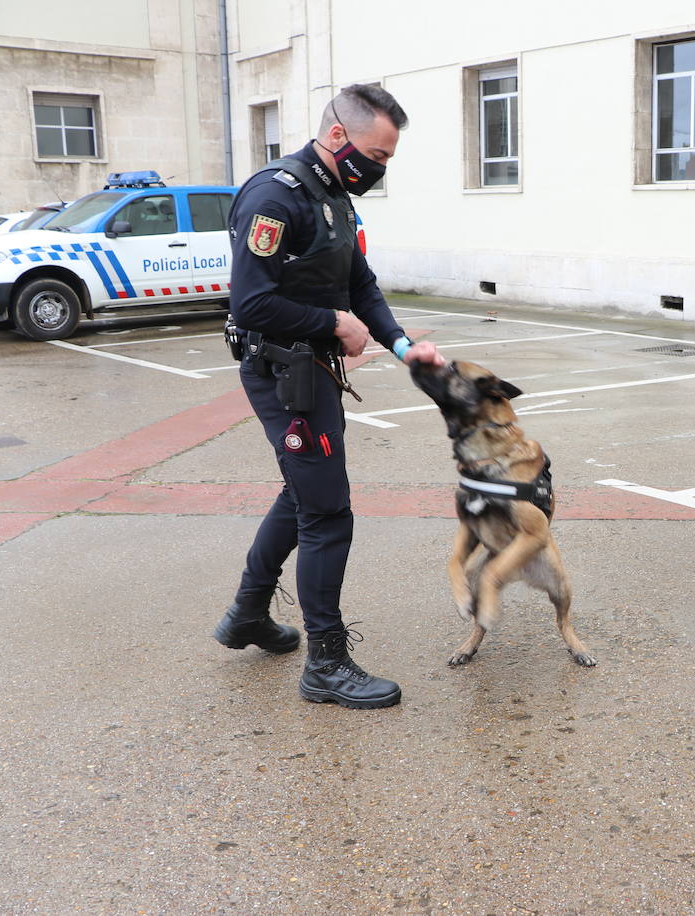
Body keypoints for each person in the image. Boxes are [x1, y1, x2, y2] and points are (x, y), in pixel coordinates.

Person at [212, 83, 444, 709]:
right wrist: (331, 325)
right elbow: (250, 302)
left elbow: (360, 284)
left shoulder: (334, 195)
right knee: (327, 512)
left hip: (311, 372)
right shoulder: (273, 196)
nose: (380, 168)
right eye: (378, 155)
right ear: (338, 135)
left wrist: (402, 345)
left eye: (390, 158)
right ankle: (326, 662)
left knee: (302, 493)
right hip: (284, 374)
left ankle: (248, 616)